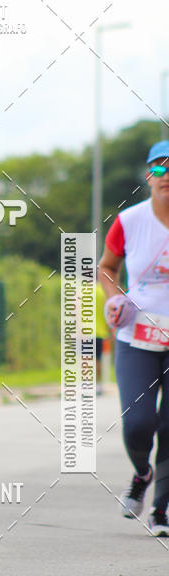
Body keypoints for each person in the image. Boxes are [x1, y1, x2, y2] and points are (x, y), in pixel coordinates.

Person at [98, 140, 169, 537]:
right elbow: (107, 268)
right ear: (149, 176)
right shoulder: (130, 221)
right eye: (159, 168)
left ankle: (161, 510)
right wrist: (114, 297)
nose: (166, 175)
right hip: (136, 334)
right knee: (138, 424)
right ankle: (141, 472)